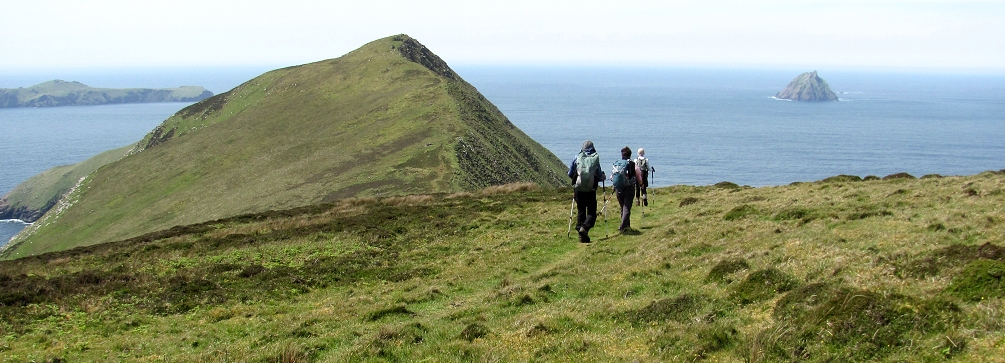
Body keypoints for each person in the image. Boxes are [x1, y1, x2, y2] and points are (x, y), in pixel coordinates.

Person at [568, 140, 605, 243]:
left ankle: (581, 235)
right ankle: (584, 229)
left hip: (578, 189)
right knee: (592, 212)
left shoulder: (577, 157)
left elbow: (570, 173)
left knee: (581, 211)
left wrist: (577, 179)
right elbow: (599, 175)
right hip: (590, 190)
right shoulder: (595, 159)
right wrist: (602, 177)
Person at [611, 146, 642, 233]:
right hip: (629, 188)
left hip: (618, 188)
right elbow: (639, 176)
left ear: (622, 154)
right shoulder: (632, 164)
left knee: (622, 208)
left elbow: (612, 176)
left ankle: (626, 226)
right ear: (630, 155)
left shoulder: (618, 163)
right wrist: (641, 184)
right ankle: (623, 227)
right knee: (627, 208)